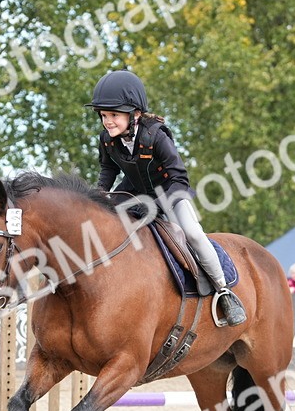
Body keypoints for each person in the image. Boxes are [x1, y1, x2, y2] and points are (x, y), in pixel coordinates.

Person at [86, 69, 246, 327]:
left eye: (113, 115)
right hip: (134, 192)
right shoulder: (107, 139)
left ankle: (224, 292)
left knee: (193, 234)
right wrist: (99, 193)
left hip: (171, 192)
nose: (107, 121)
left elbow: (180, 178)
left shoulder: (156, 136)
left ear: (135, 114)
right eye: (104, 115)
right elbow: (109, 169)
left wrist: (158, 206)